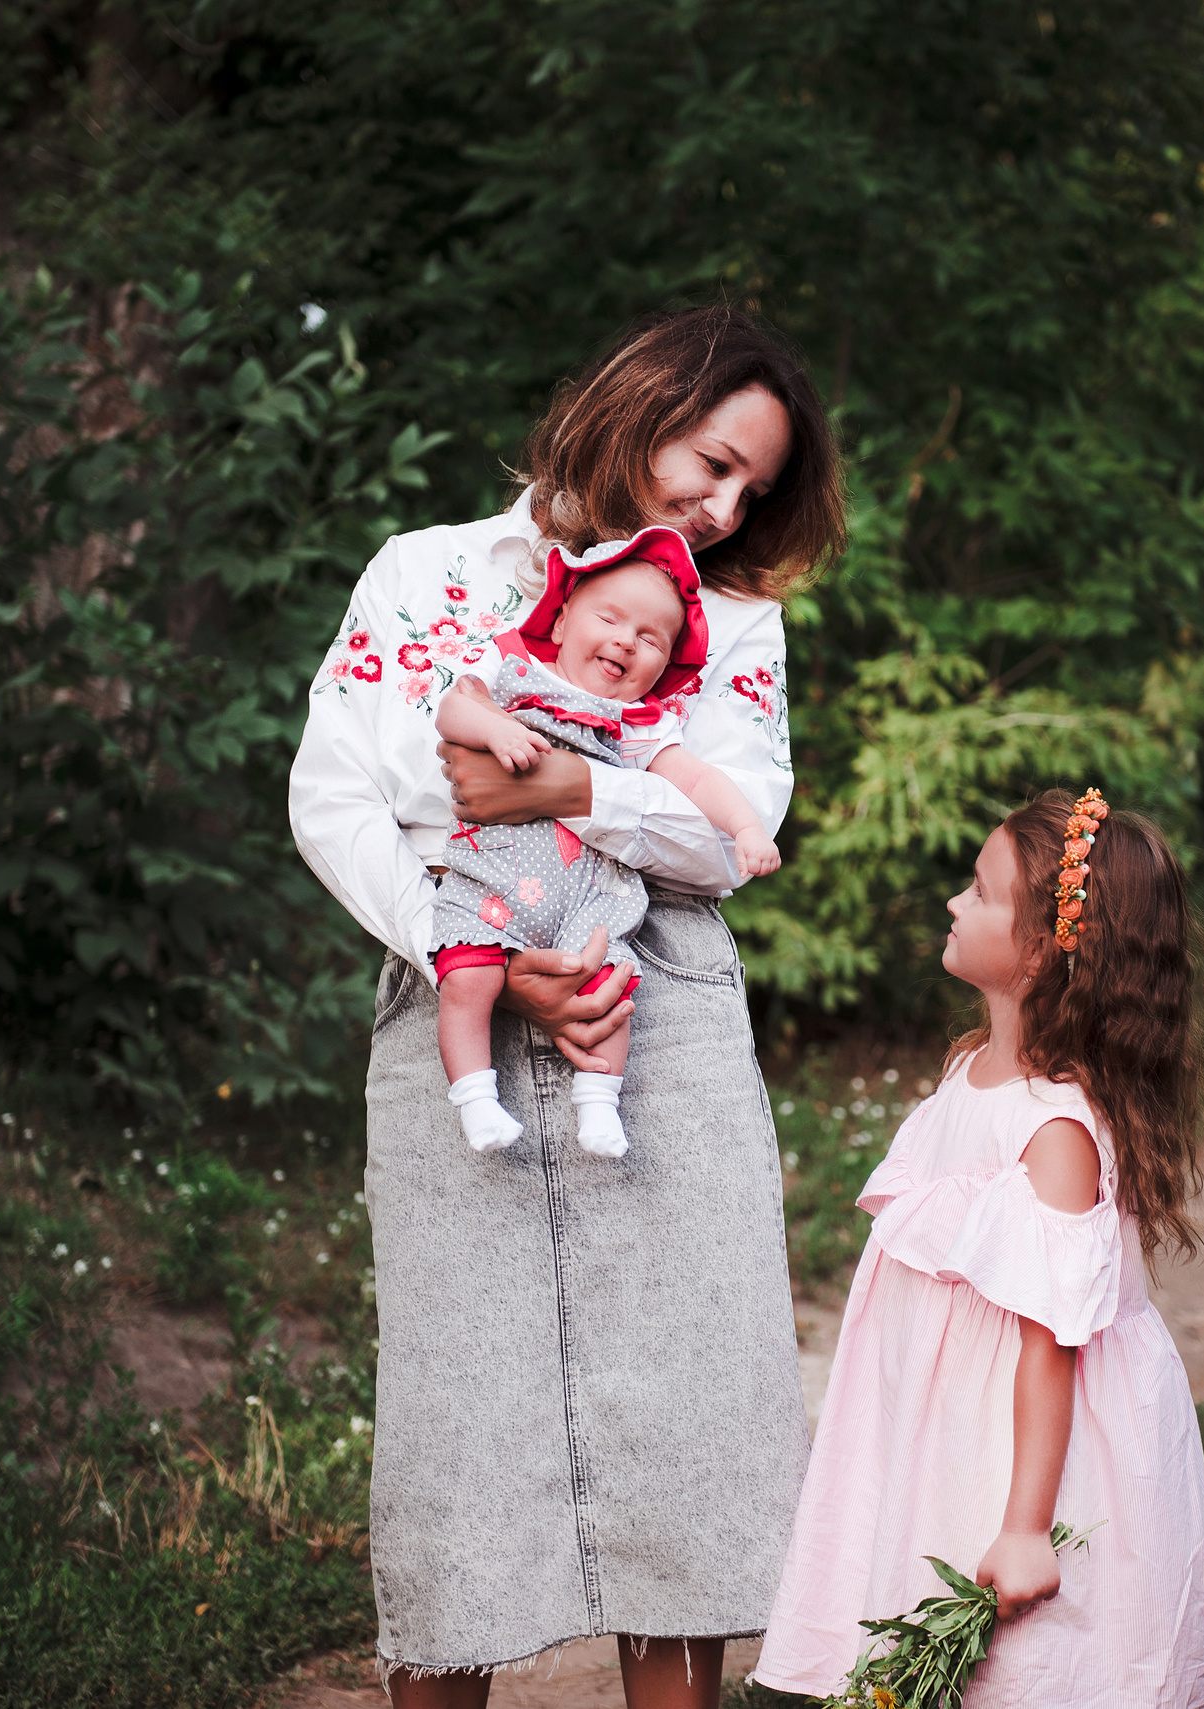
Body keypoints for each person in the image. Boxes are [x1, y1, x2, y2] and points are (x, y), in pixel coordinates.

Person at [288, 304, 847, 1709]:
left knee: (685, 1419)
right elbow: (333, 796)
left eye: (753, 490)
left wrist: (568, 786)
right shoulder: (423, 576)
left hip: (654, 1007)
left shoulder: (735, 624)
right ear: (637, 410)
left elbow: (733, 835)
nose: (725, 510)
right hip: (454, 1000)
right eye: (712, 464)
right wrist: (457, 948)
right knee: (457, 1427)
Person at [751, 788, 1204, 1707]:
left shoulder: (1056, 1130)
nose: (954, 902)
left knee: (1030, 1672)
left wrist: (1025, 1527)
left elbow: (1048, 1345)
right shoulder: (969, 1071)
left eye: (979, 890)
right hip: (948, 1423)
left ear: (1042, 950)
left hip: (1024, 1453)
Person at [430, 525, 782, 1157]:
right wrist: (495, 731)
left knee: (612, 987)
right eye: (610, 618)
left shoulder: (638, 726)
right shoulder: (517, 676)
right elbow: (454, 710)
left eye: (650, 639)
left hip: (589, 897)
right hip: (492, 883)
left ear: (664, 666)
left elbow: (698, 780)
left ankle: (599, 1104)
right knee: (466, 982)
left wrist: (747, 827)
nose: (625, 640)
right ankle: (476, 1100)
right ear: (563, 619)